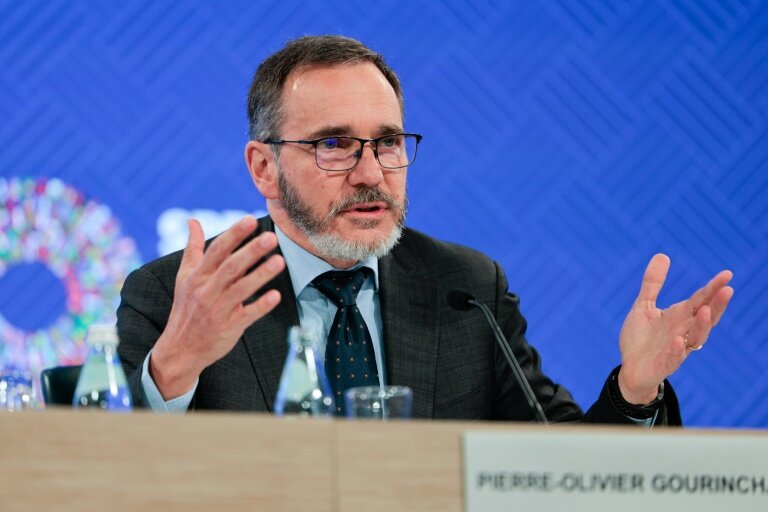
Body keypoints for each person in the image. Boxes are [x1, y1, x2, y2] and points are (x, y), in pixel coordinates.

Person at [116, 35, 733, 423]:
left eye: (387, 142)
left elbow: (561, 468)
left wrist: (635, 388)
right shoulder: (174, 294)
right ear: (263, 168)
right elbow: (110, 472)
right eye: (334, 144)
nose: (371, 173)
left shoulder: (465, 287)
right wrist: (174, 367)